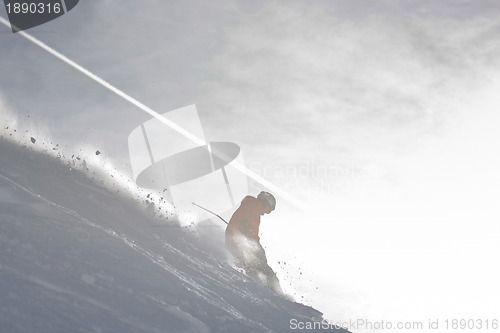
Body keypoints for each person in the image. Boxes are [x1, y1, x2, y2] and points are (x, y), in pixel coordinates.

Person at [225, 191, 284, 295]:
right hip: (236, 242)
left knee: (250, 265)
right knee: (262, 268)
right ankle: (276, 292)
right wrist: (258, 247)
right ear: (266, 203)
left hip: (233, 241)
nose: (266, 213)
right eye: (269, 210)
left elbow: (246, 227)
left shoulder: (250, 205)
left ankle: (263, 286)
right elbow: (252, 230)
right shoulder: (254, 208)